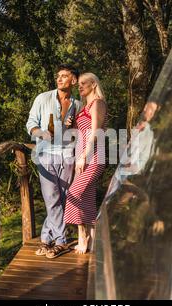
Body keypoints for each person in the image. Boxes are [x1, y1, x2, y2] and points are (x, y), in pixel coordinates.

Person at [26, 63, 81, 259]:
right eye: (58, 76)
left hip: (67, 154)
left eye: (64, 76)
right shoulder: (43, 98)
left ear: (73, 80)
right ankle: (61, 241)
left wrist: (73, 126)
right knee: (51, 198)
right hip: (45, 153)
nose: (59, 79)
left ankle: (45, 238)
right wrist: (41, 133)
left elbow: (79, 132)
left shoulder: (78, 104)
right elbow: (30, 123)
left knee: (63, 198)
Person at [63, 73, 108, 254]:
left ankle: (83, 237)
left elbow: (95, 132)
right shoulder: (83, 107)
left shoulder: (98, 103)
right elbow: (81, 132)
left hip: (93, 156)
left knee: (73, 193)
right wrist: (71, 124)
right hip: (82, 156)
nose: (79, 86)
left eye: (83, 83)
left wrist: (84, 156)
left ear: (93, 84)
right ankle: (94, 238)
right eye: (79, 84)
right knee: (87, 198)